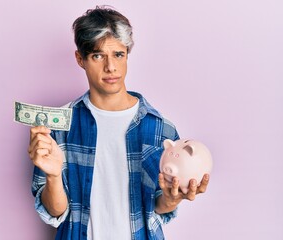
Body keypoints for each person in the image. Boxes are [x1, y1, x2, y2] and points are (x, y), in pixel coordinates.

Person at [28, 6, 210, 240]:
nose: (110, 67)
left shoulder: (160, 129)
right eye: (97, 55)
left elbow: (158, 207)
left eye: (118, 54)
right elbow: (56, 211)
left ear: (127, 54)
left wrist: (171, 199)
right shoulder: (60, 126)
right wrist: (53, 176)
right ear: (80, 59)